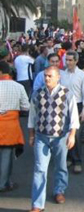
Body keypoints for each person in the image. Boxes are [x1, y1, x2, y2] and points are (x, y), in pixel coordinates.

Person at [28, 66, 79, 212]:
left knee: (60, 166)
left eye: (50, 76)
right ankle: (37, 204)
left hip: (60, 137)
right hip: (41, 137)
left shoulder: (67, 93)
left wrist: (72, 135)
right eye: (45, 76)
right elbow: (32, 115)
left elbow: (74, 115)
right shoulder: (37, 93)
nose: (47, 78)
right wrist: (31, 135)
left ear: (58, 77)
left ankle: (59, 190)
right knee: (39, 170)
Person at [0, 61, 30, 193]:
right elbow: (26, 107)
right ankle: (3, 183)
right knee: (6, 155)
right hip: (11, 125)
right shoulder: (18, 87)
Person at [62, 51, 84, 174]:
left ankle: (77, 161)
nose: (67, 62)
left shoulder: (82, 75)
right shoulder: (62, 74)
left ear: (76, 61)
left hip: (77, 106)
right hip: (63, 106)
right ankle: (68, 157)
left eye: (70, 60)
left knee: (76, 135)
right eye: (66, 60)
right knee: (65, 133)